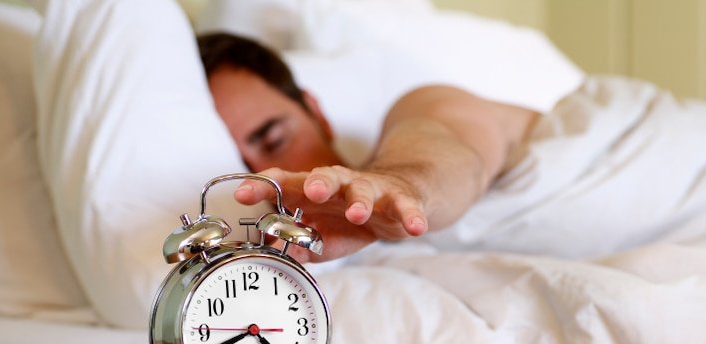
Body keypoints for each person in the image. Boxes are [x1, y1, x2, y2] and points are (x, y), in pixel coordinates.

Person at [198, 32, 538, 263]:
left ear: (316, 113)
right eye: (239, 167)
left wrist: (404, 187)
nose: (265, 183)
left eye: (274, 140)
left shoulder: (421, 107)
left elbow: (454, 153)